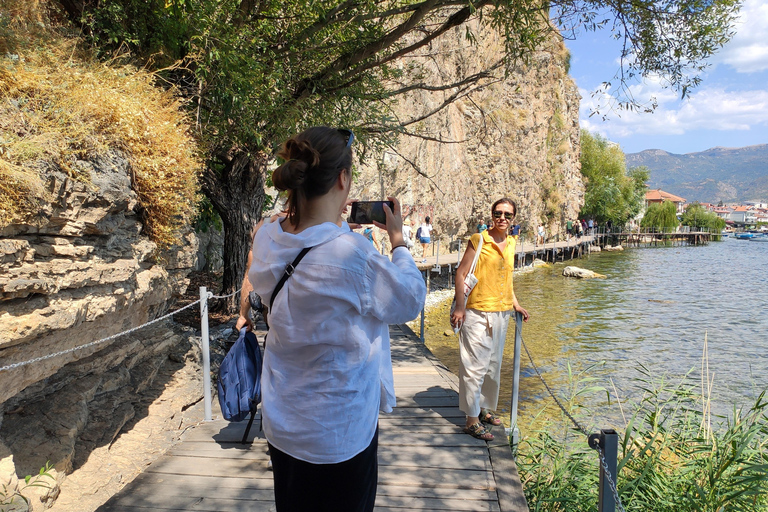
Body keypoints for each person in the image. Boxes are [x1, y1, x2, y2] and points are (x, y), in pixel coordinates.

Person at [247, 127, 426, 511]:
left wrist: (336, 226)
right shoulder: (352, 256)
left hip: (284, 425)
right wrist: (398, 241)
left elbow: (303, 244)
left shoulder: (267, 237)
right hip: (338, 435)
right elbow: (410, 299)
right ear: (343, 178)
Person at [450, 198, 529, 441]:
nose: (502, 218)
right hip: (476, 312)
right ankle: (471, 421)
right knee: (474, 368)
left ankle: (482, 409)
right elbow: (461, 273)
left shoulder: (513, 242)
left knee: (493, 367)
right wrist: (460, 308)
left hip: (502, 312)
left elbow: (507, 278)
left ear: (514, 218)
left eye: (507, 214)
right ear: (492, 215)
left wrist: (515, 303)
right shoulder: (479, 239)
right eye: (498, 213)